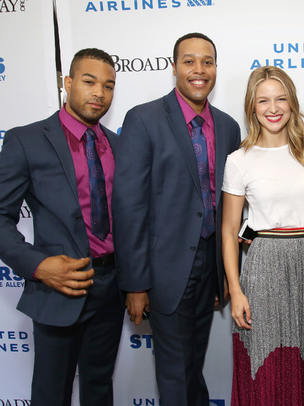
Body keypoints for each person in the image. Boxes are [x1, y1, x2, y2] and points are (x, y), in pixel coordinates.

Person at [0, 48, 122, 405]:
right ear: (68, 83)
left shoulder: (119, 145)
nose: (99, 93)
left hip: (113, 286)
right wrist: (39, 266)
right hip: (59, 287)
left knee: (100, 387)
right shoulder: (27, 140)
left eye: (108, 85)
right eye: (89, 82)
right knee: (51, 392)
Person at [112, 32, 241, 406]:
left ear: (215, 67)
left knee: (191, 365)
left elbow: (229, 203)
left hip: (209, 268)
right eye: (189, 61)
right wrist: (135, 284)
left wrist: (223, 273)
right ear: (173, 68)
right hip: (163, 270)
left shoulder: (229, 127)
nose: (199, 70)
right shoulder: (144, 119)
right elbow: (129, 206)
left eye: (207, 61)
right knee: (174, 371)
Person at [222, 66, 304, 406]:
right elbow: (231, 230)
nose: (272, 108)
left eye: (280, 99)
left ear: (292, 103)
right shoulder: (239, 160)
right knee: (265, 362)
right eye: (263, 100)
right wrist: (236, 290)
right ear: (252, 106)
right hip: (264, 268)